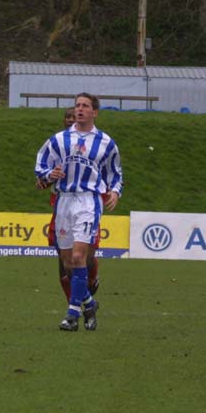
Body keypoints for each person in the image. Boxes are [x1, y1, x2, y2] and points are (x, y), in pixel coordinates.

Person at [34, 93, 122, 331]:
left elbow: (115, 173)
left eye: (85, 106)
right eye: (77, 105)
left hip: (88, 201)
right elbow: (41, 164)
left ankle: (72, 315)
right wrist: (48, 175)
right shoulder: (59, 140)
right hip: (63, 201)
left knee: (78, 256)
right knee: (67, 263)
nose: (80, 109)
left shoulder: (105, 142)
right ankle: (89, 304)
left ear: (95, 112)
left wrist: (114, 191)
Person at [36, 108, 101, 302]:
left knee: (84, 257)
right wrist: (45, 179)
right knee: (64, 264)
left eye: (73, 116)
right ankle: (75, 305)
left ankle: (91, 280)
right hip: (61, 206)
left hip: (86, 206)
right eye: (67, 117)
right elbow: (42, 178)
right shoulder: (58, 146)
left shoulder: (94, 147)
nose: (70, 119)